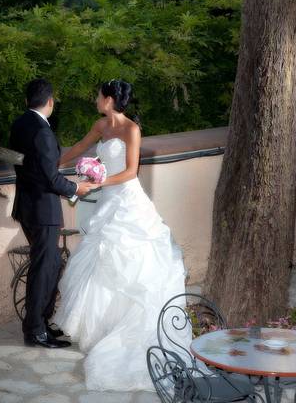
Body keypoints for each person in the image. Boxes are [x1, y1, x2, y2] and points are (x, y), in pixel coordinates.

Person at [51, 79, 190, 391]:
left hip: (127, 201)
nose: (96, 100)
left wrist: (99, 181)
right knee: (100, 262)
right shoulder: (101, 125)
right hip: (107, 202)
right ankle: (102, 328)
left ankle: (127, 331)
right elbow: (78, 149)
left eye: (99, 96)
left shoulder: (131, 129)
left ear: (110, 99)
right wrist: (52, 164)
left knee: (129, 264)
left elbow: (131, 171)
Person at [10, 78, 94, 349]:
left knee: (49, 265)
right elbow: (50, 178)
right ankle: (35, 330)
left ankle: (41, 323)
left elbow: (30, 168)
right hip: (42, 209)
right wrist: (76, 189)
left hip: (26, 206)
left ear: (27, 101)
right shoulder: (43, 132)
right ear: (50, 102)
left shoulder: (19, 124)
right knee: (44, 269)